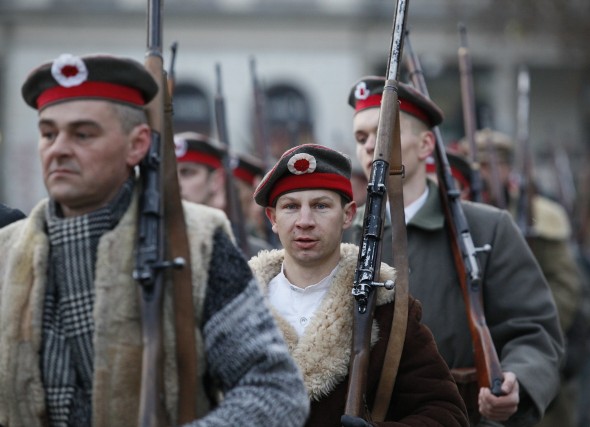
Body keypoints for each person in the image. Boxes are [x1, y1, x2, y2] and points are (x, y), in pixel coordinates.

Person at [0, 52, 309, 426]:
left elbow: (274, 390)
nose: (59, 148)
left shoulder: (196, 242)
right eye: (48, 133)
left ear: (137, 144)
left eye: (83, 134)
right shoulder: (7, 249)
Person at [347, 76, 564, 426]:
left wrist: (516, 381)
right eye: (361, 137)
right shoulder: (346, 236)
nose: (371, 145)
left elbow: (533, 331)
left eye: (385, 132)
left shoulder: (487, 229)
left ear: (425, 144)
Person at [248, 144, 469, 427]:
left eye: (320, 206)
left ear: (349, 214)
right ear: (272, 218)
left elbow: (446, 414)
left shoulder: (388, 309)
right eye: (291, 207)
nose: (305, 221)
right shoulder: (236, 311)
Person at [461, 128, 584, 427]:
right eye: (473, 165)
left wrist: (531, 338)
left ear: (505, 168)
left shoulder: (539, 214)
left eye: (489, 165)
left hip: (528, 352)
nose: (482, 174)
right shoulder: (460, 215)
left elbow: (564, 286)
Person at [175, 132, 272, 257]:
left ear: (216, 180)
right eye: (171, 174)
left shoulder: (254, 252)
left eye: (187, 172)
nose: (176, 183)